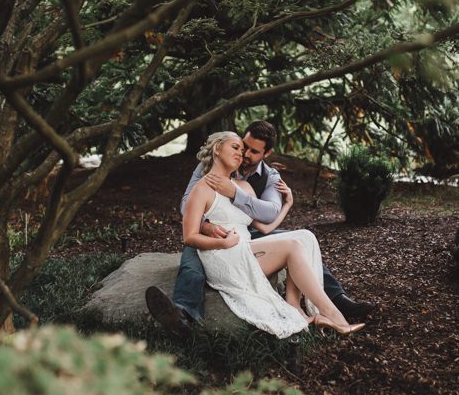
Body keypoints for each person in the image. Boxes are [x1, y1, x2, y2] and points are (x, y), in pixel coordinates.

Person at [146, 120, 375, 334]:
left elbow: (268, 215)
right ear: (219, 149)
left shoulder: (266, 177)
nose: (243, 153)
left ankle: (325, 300)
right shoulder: (206, 173)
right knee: (192, 263)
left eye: (252, 151)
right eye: (241, 146)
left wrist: (239, 194)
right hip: (218, 237)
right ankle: (183, 312)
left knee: (304, 238)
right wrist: (206, 226)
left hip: (249, 234)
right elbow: (188, 208)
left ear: (267, 154)